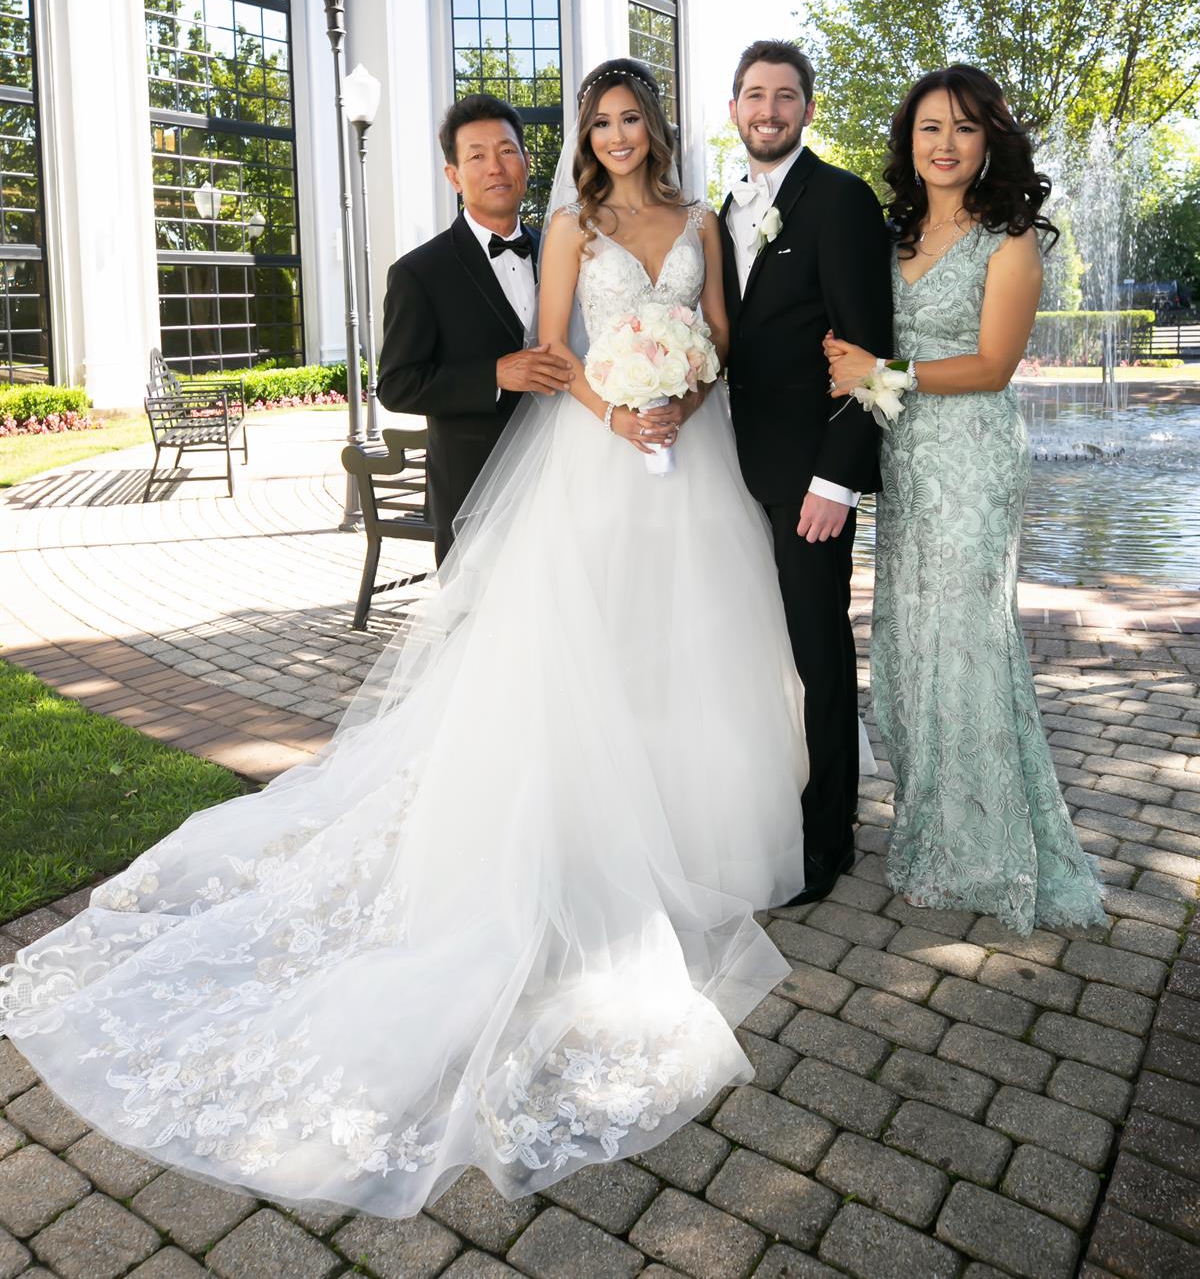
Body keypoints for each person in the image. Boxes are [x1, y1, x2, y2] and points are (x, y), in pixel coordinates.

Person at [0, 59, 810, 1221]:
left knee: (685, 652)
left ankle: (687, 829)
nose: (617, 134)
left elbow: (718, 335)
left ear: (656, 128)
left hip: (692, 463)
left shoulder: (701, 223)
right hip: (596, 465)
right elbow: (553, 355)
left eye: (632, 118)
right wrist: (621, 409)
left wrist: (682, 393)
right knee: (587, 660)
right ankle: (592, 838)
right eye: (600, 121)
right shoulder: (570, 228)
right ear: (582, 136)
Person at [825, 63, 1106, 934]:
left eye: (964, 128)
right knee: (911, 638)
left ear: (990, 141)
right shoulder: (892, 234)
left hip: (974, 459)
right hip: (907, 459)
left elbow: (992, 365)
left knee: (968, 639)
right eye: (930, 128)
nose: (945, 144)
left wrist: (882, 370)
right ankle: (934, 830)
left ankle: (988, 850)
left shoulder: (1009, 239)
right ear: (909, 142)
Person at [721, 40, 893, 904]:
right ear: (733, 110)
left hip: (807, 482)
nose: (769, 111)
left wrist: (836, 480)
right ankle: (769, 807)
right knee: (756, 648)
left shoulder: (841, 199)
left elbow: (869, 350)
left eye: (785, 96)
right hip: (731, 470)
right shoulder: (726, 208)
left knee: (819, 653)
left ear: (808, 110)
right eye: (755, 96)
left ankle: (829, 838)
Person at [377, 93, 573, 564]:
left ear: (527, 162)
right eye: (477, 156)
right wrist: (494, 375)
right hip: (475, 495)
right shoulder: (419, 273)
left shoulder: (564, 253)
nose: (495, 168)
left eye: (507, 151)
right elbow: (396, 385)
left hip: (567, 483)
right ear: (454, 176)